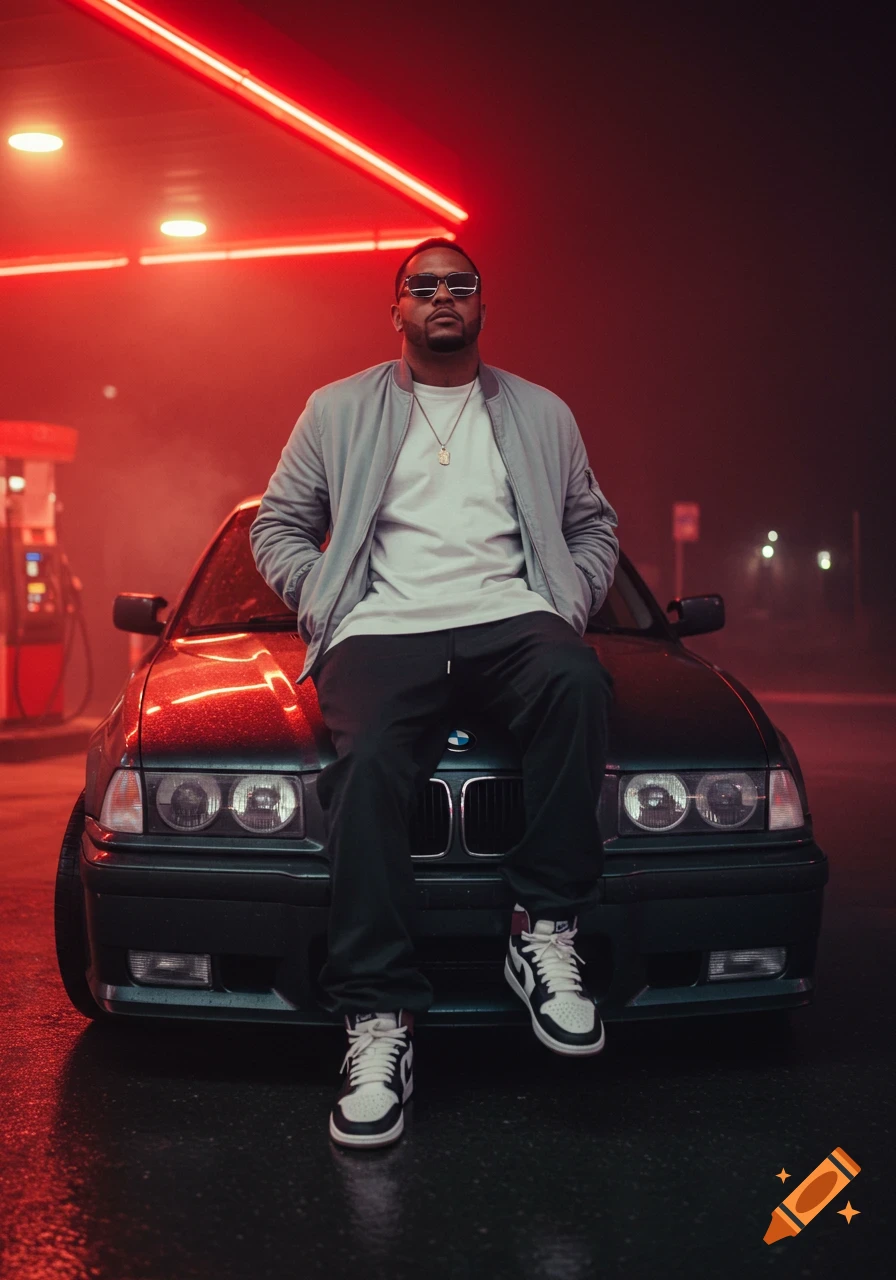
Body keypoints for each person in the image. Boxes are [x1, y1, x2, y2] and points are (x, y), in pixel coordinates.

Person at [250, 237, 620, 1149]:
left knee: (578, 680)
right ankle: (379, 1019)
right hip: (384, 627)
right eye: (423, 286)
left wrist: (566, 602)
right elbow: (279, 525)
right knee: (370, 763)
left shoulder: (543, 412)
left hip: (512, 616)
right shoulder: (337, 408)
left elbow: (591, 524)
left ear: (483, 305)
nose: (442, 296)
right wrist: (328, 598)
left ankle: (544, 928)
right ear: (397, 310)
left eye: (461, 284)